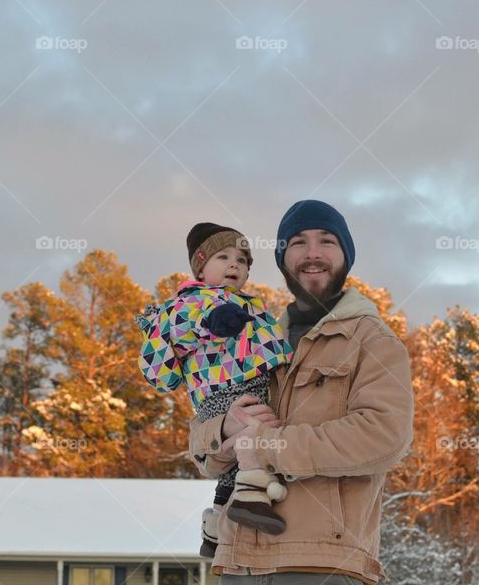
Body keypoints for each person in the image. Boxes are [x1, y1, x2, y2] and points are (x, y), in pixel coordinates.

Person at [189, 200, 414, 585]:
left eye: (327, 241)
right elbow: (202, 449)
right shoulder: (254, 338)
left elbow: (384, 436)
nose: (312, 253)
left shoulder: (372, 341)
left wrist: (268, 445)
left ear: (346, 256)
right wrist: (223, 429)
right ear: (282, 259)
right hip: (236, 563)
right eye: (298, 243)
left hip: (320, 566)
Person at [137, 223, 293, 558]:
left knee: (238, 458)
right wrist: (211, 322)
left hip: (250, 383)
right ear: (201, 266)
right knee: (254, 437)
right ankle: (251, 499)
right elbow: (176, 334)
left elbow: (273, 344)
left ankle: (216, 525)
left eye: (242, 259)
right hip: (221, 389)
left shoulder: (252, 305)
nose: (235, 264)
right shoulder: (191, 302)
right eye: (224, 257)